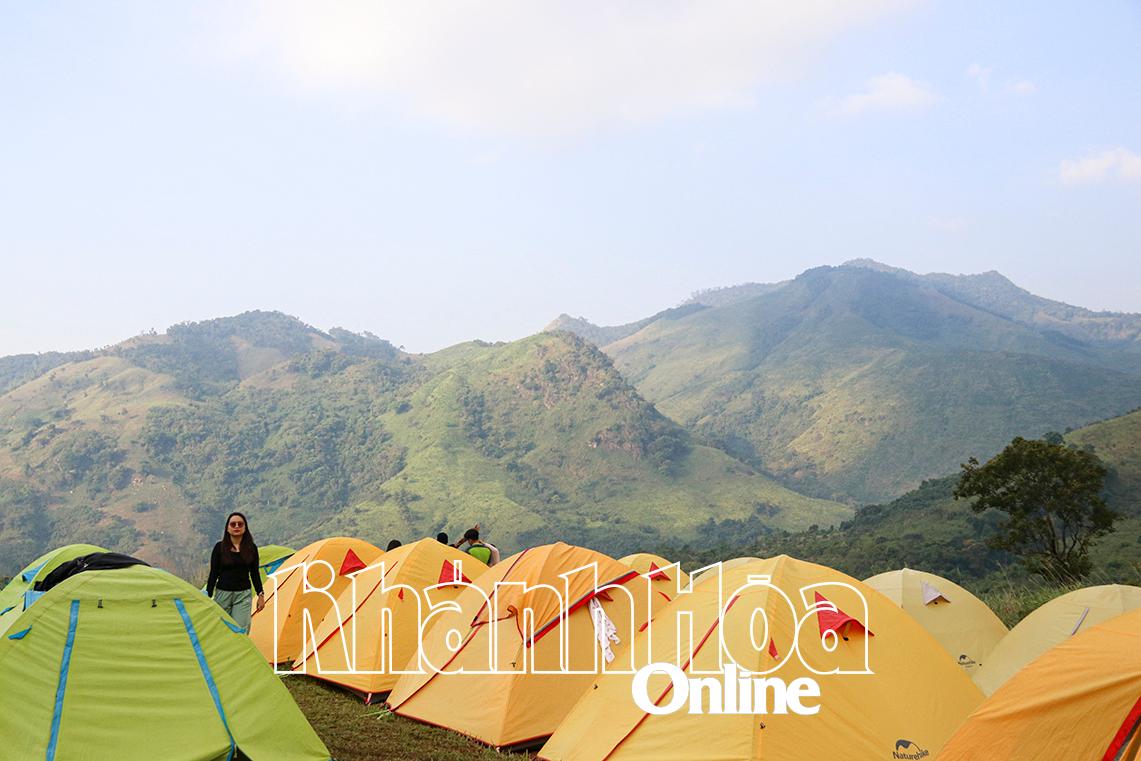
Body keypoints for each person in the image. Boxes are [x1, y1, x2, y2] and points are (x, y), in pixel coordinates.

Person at [206, 512, 263, 633]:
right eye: (233, 524)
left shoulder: (251, 548)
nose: (236, 526)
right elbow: (214, 573)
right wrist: (208, 594)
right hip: (223, 594)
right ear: (227, 528)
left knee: (241, 630)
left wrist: (260, 595)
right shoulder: (219, 548)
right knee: (221, 629)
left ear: (245, 528)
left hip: (243, 595)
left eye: (240, 524)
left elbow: (254, 573)